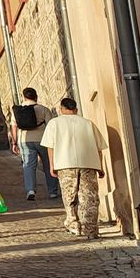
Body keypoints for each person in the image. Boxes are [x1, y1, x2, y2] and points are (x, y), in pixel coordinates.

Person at [42, 96, 111, 240]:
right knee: (89, 197)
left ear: (61, 109)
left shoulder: (54, 123)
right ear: (76, 109)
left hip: (65, 163)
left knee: (69, 195)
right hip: (88, 163)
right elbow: (99, 147)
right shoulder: (88, 123)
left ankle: (73, 224)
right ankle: (90, 228)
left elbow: (50, 146)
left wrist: (52, 165)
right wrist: (100, 166)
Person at [12, 88, 58, 202]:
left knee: (28, 165)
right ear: (36, 96)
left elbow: (14, 127)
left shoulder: (18, 111)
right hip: (43, 140)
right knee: (48, 164)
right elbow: (50, 126)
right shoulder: (44, 109)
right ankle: (52, 191)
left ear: (24, 97)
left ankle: (30, 190)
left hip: (25, 141)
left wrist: (14, 142)